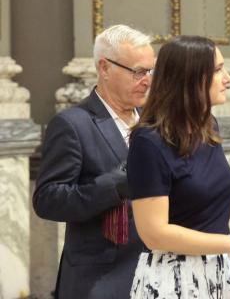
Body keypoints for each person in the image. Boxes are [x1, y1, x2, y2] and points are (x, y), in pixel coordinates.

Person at [125, 36, 230, 298]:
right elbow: (154, 233)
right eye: (217, 70)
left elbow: (197, 208)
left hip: (220, 273)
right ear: (190, 78)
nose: (227, 78)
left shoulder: (208, 126)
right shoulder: (148, 142)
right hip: (174, 281)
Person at [33, 24, 154, 298]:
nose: (147, 79)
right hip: (101, 279)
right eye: (138, 71)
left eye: (150, 71)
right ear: (104, 68)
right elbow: (47, 200)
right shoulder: (72, 124)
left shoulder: (154, 122)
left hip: (155, 272)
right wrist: (115, 185)